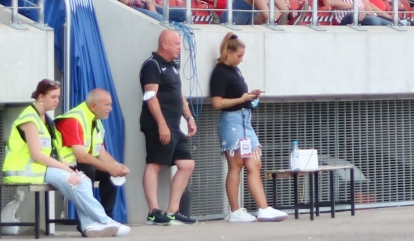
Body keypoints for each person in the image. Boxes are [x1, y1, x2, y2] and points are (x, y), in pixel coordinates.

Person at [1, 79, 128, 237]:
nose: (57, 101)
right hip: (24, 169)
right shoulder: (30, 119)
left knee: (81, 180)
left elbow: (53, 151)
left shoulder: (45, 120)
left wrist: (69, 168)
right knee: (76, 180)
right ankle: (105, 220)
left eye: (58, 97)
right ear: (41, 97)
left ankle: (89, 226)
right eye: (53, 97)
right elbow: (37, 155)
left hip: (41, 167)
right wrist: (67, 169)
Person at [206, 34, 289, 223]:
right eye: (239, 55)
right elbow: (217, 102)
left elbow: (237, 96)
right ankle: (235, 211)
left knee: (254, 164)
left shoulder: (235, 71)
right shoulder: (220, 72)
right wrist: (242, 99)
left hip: (244, 121)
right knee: (236, 165)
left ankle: (263, 208)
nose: (241, 59)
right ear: (229, 53)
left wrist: (250, 96)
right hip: (232, 122)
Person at [140, 28, 197, 225]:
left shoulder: (173, 67)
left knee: (187, 164)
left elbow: (178, 95)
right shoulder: (152, 65)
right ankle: (153, 211)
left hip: (174, 125)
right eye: (176, 44)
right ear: (164, 44)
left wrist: (189, 117)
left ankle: (173, 211)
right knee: (154, 164)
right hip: (158, 125)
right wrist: (162, 125)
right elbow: (150, 96)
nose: (180, 48)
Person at [54, 87, 131, 215]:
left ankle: (107, 217)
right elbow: (81, 156)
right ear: (94, 106)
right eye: (107, 105)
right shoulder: (74, 120)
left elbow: (101, 152)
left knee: (110, 174)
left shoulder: (97, 122)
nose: (110, 109)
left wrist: (117, 166)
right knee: (88, 169)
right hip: (62, 166)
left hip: (80, 165)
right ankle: (88, 218)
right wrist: (109, 167)